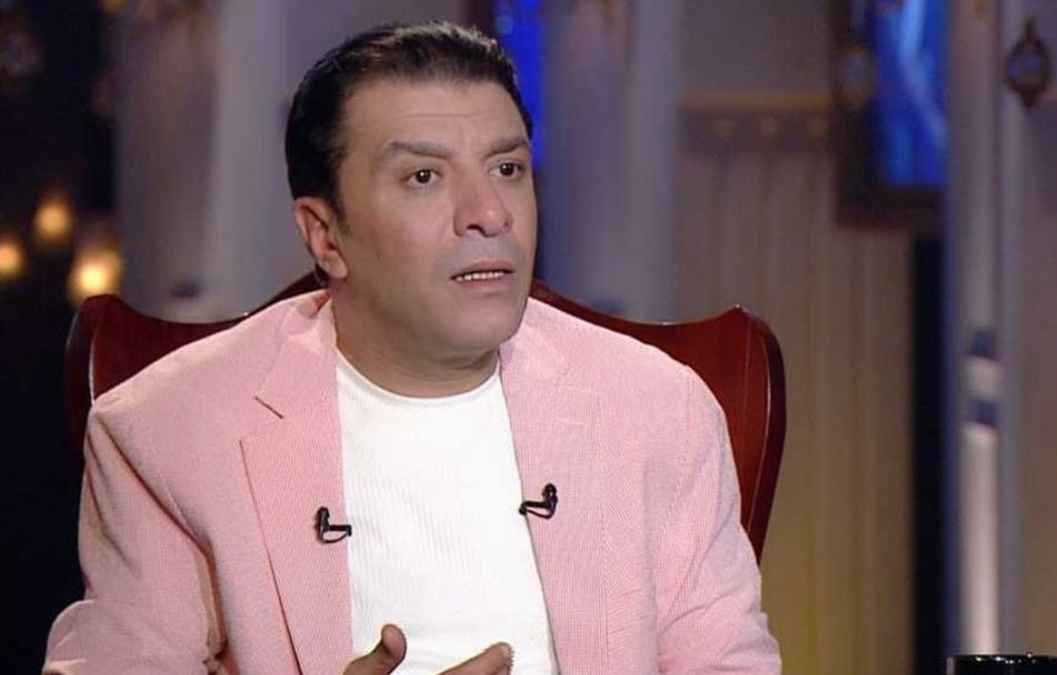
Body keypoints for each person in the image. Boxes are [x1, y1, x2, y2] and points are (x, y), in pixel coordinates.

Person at [44, 21, 780, 674]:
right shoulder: (170, 433)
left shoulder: (658, 409)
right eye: (424, 177)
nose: (488, 214)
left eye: (508, 169)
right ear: (325, 235)